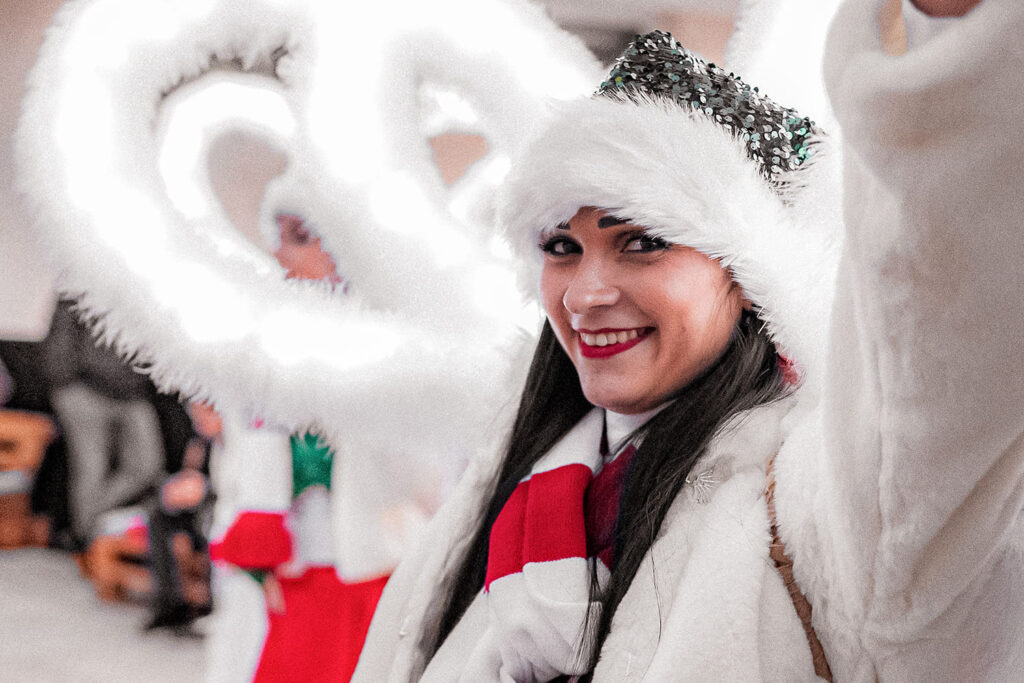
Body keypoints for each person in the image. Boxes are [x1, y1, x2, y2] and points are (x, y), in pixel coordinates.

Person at [356, 0, 1024, 680]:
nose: (585, 293)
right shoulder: (495, 492)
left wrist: (954, 53)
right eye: (562, 246)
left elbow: (939, 330)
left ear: (746, 274)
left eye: (641, 242)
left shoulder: (814, 502)